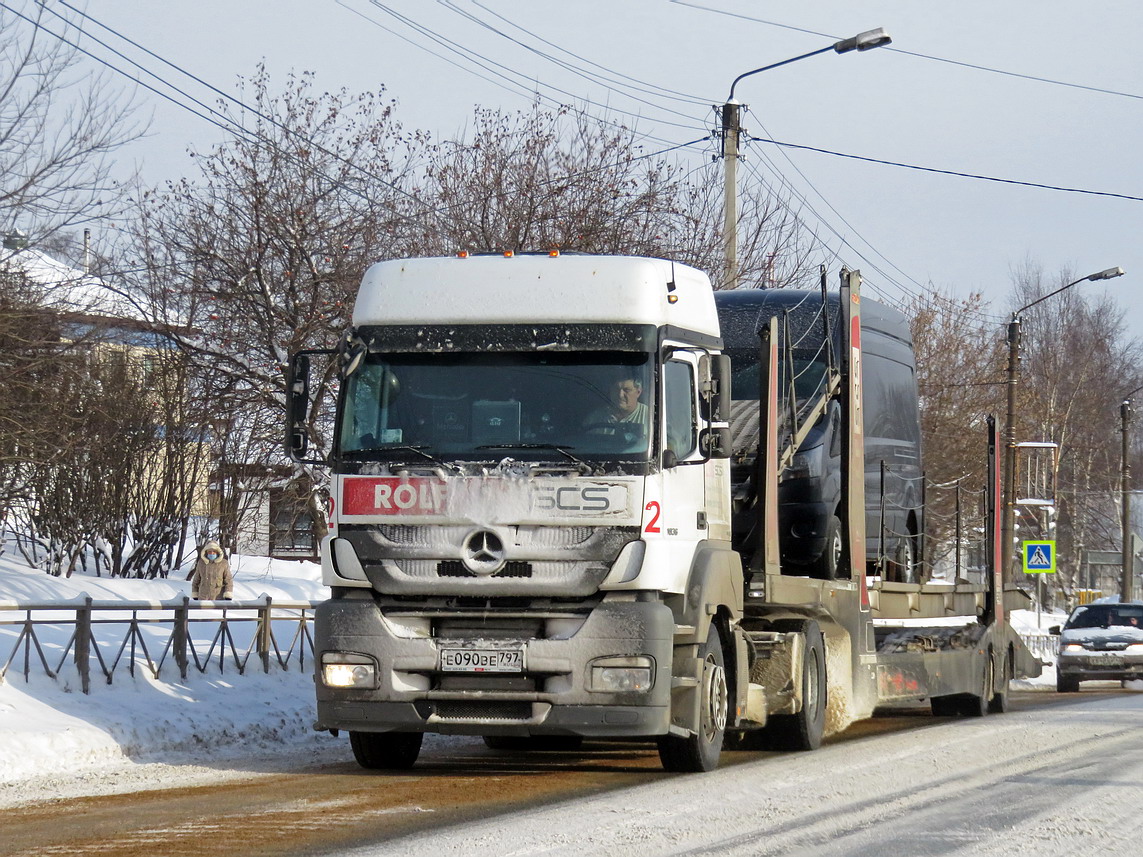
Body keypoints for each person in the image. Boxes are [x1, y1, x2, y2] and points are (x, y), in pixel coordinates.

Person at [585, 373, 649, 430]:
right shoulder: (594, 419)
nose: (620, 395)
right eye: (616, 389)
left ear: (638, 392)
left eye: (626, 390)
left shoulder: (650, 417)